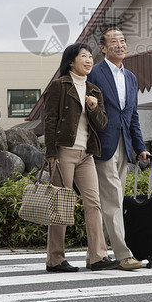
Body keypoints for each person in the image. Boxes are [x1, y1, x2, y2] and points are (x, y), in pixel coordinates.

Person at [43, 43, 119, 273]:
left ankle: (97, 256)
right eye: (83, 56)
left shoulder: (94, 90)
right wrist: (51, 153)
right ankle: (55, 259)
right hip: (63, 152)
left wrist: (94, 108)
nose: (88, 60)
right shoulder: (59, 86)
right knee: (61, 204)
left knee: (93, 203)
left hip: (86, 154)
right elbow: (49, 121)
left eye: (90, 57)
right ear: (71, 62)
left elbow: (102, 123)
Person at [87, 28, 151, 271]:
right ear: (103, 48)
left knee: (112, 201)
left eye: (123, 41)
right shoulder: (94, 73)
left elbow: (132, 115)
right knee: (113, 198)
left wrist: (140, 147)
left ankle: (95, 254)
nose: (120, 45)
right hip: (102, 145)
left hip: (124, 145)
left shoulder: (131, 78)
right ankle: (123, 254)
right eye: (114, 41)